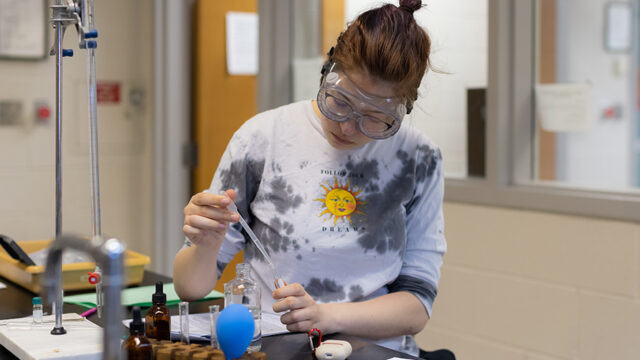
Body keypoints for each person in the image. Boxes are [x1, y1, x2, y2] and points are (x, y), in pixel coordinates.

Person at [174, 0, 447, 356]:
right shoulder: (263, 137)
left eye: (375, 117)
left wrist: (324, 315)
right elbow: (190, 287)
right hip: (273, 343)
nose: (348, 127)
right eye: (340, 101)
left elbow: (416, 307)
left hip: (373, 349)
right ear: (328, 70)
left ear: (402, 108)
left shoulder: (418, 157)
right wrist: (206, 243)